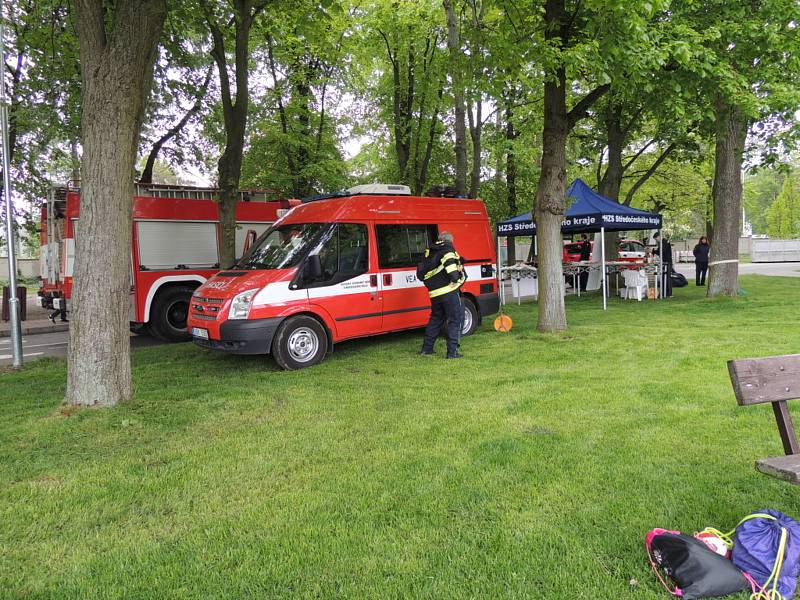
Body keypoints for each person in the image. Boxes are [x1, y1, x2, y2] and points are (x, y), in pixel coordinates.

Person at [418, 231, 466, 359]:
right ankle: (452, 352)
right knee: (454, 321)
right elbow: (450, 266)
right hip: (449, 292)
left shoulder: (431, 251)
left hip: (435, 294)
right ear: (450, 240)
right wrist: (455, 279)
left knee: (435, 319)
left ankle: (426, 349)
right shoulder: (447, 249)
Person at [652, 231, 673, 298]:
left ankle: (668, 293)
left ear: (659, 237)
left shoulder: (664, 242)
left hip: (667, 262)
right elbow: (659, 252)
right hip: (665, 261)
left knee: (667, 277)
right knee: (664, 277)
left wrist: (654, 251)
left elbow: (661, 251)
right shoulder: (662, 243)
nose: (656, 240)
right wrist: (654, 251)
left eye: (656, 239)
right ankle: (664, 292)